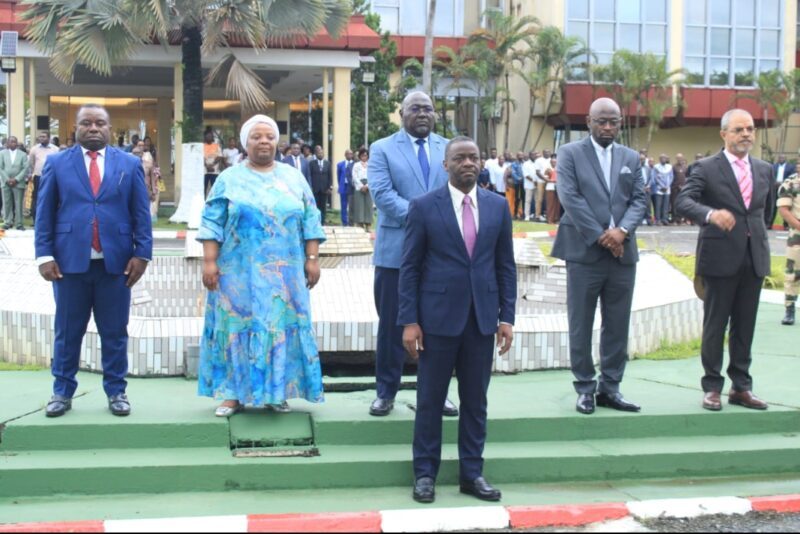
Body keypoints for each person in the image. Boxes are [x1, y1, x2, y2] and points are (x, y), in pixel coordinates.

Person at [398, 136, 515, 504]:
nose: (468, 163)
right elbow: (410, 268)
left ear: (482, 164)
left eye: (474, 157)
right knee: (430, 399)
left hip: (481, 320)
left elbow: (505, 267)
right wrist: (409, 320)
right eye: (460, 158)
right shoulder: (423, 207)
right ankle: (425, 475)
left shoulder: (497, 207)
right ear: (446, 165)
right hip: (436, 321)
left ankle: (471, 474)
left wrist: (506, 317)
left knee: (475, 401)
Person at [196, 115, 325, 417]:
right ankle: (232, 394)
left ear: (277, 141)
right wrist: (209, 261)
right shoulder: (229, 178)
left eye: (269, 136)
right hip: (237, 274)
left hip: (286, 276)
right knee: (236, 326)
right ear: (245, 142)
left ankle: (277, 393)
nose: (264, 141)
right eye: (256, 136)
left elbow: (310, 219)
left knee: (279, 327)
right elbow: (212, 221)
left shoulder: (293, 177)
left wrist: (312, 259)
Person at [35, 104, 152, 418]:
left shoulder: (129, 163)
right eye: (86, 123)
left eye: (100, 123)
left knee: (114, 331)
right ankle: (61, 391)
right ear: (76, 127)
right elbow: (44, 212)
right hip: (69, 264)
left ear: (110, 128)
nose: (93, 128)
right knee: (67, 330)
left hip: (116, 265)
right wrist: (44, 255)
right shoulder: (57, 163)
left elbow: (140, 213)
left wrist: (142, 254)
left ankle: (117, 391)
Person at [552, 97, 647, 416]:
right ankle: (584, 387)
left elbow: (639, 201)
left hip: (623, 253)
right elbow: (570, 197)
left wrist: (622, 231)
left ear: (620, 123)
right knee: (580, 321)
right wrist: (602, 236)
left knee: (617, 323)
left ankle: (611, 387)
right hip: (583, 251)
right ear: (589, 122)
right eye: (601, 121)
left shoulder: (631, 157)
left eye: (614, 122)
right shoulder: (569, 153)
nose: (608, 127)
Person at [675, 109, 772, 412]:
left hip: (754, 257)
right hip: (719, 259)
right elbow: (683, 201)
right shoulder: (705, 167)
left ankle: (741, 387)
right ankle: (712, 387)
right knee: (716, 325)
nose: (746, 134)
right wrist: (710, 214)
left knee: (745, 326)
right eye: (739, 129)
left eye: (750, 129)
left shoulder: (765, 169)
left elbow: (764, 214)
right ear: (724, 134)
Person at [368, 91, 456, 418]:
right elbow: (382, 194)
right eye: (415, 108)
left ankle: (436, 394)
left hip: (440, 254)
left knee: (438, 327)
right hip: (395, 254)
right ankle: (386, 392)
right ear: (402, 113)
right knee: (393, 324)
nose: (422, 114)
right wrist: (426, 219)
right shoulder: (382, 149)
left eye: (428, 109)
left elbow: (456, 190)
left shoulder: (448, 148)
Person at [777, 165, 800, 325]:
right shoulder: (790, 183)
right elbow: (784, 210)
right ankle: (789, 309)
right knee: (793, 273)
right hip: (797, 236)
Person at [28, 131, 60, 224]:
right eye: (40, 137)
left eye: (43, 137)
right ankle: (36, 220)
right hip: (38, 177)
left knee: (51, 197)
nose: (41, 138)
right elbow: (31, 163)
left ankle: (49, 220)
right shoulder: (34, 149)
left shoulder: (55, 149)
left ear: (49, 138)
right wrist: (36, 171)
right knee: (36, 198)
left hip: (51, 177)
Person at [0, 136, 30, 230]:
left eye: (15, 142)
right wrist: (7, 179)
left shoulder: (22, 154)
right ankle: (8, 222)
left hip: (18, 182)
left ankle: (19, 223)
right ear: (7, 143)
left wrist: (16, 179)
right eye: (11, 142)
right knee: (7, 203)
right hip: (6, 182)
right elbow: (1, 167)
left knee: (19, 203)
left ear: (17, 143)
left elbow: (25, 168)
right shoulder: (2, 153)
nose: (13, 143)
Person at [132, 141, 159, 223]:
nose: (137, 155)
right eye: (135, 153)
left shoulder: (148, 164)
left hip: (145, 189)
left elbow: (152, 177)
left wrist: (154, 191)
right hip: (133, 190)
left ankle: (145, 222)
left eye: (139, 153)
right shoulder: (128, 164)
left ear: (142, 153)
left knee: (145, 208)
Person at [351, 148, 373, 231]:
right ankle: (360, 224)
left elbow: (372, 176)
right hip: (359, 186)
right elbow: (354, 176)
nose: (364, 157)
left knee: (368, 205)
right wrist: (361, 186)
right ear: (360, 156)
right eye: (363, 155)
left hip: (368, 185)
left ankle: (368, 224)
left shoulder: (370, 165)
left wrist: (367, 185)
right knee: (359, 205)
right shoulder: (356, 165)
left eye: (366, 155)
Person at [309, 145, 332, 223]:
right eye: (319, 153)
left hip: (324, 189)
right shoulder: (311, 163)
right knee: (315, 207)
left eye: (322, 153)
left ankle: (322, 222)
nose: (320, 155)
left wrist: (330, 187)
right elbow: (310, 176)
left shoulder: (327, 163)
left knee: (323, 207)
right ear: (315, 154)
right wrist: (310, 187)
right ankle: (316, 222)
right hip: (315, 189)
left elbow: (330, 176)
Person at [770, 155, 791, 229]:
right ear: (778, 159)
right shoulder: (773, 166)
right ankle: (769, 224)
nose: (781, 159)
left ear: (786, 159)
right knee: (772, 206)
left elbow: (791, 176)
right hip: (774, 188)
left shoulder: (790, 167)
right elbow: (770, 176)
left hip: (785, 189)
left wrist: (783, 183)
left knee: (785, 205)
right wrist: (774, 182)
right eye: (780, 157)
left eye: (783, 158)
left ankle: (786, 225)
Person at [652, 154, 674, 225]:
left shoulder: (669, 167)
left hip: (667, 189)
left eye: (665, 158)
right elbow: (655, 177)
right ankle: (658, 220)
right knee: (658, 205)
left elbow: (671, 177)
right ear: (659, 159)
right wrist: (662, 186)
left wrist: (667, 186)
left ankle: (665, 219)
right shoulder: (656, 167)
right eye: (662, 158)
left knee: (666, 205)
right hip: (659, 189)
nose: (663, 159)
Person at [336, 149, 355, 226]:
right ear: (345, 155)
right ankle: (344, 222)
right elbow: (338, 176)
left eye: (351, 154)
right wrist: (340, 185)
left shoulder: (355, 164)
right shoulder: (340, 164)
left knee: (352, 205)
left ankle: (351, 221)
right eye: (348, 154)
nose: (349, 155)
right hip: (343, 186)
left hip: (351, 187)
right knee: (343, 205)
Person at [534, 150, 553, 222]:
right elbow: (537, 172)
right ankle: (537, 216)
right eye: (545, 152)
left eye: (548, 152)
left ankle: (548, 215)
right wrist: (545, 179)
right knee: (539, 199)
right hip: (541, 182)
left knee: (548, 199)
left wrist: (549, 180)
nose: (547, 153)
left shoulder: (552, 160)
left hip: (550, 182)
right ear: (543, 153)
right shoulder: (538, 160)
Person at [203, 131, 223, 196]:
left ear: (212, 138)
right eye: (207, 136)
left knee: (214, 188)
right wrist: (207, 166)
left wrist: (212, 165)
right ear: (205, 137)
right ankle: (203, 202)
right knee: (203, 188)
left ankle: (213, 204)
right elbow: (200, 157)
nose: (209, 137)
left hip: (214, 171)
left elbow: (220, 156)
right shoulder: (202, 146)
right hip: (204, 171)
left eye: (210, 136)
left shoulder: (216, 146)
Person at [672, 153, 688, 224]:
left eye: (680, 158)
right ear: (676, 159)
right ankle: (675, 219)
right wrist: (677, 185)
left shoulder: (685, 167)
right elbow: (671, 177)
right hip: (675, 189)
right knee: (674, 204)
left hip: (683, 189)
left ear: (682, 158)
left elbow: (687, 177)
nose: (679, 159)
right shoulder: (673, 167)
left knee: (682, 204)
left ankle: (681, 219)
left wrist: (684, 186)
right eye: (678, 158)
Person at [545, 153, 560, 224]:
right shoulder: (548, 169)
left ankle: (555, 219)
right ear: (550, 162)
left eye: (555, 162)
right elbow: (545, 179)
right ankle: (550, 220)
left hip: (558, 188)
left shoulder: (559, 169)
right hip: (550, 188)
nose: (554, 163)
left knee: (557, 205)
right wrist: (552, 180)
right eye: (553, 162)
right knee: (550, 205)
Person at [522, 150, 537, 220]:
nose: (534, 156)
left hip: (537, 185)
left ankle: (537, 215)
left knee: (537, 201)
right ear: (530, 155)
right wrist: (534, 181)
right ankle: (527, 215)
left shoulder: (537, 163)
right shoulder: (526, 164)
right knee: (528, 201)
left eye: (535, 155)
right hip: (529, 185)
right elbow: (526, 175)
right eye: (533, 155)